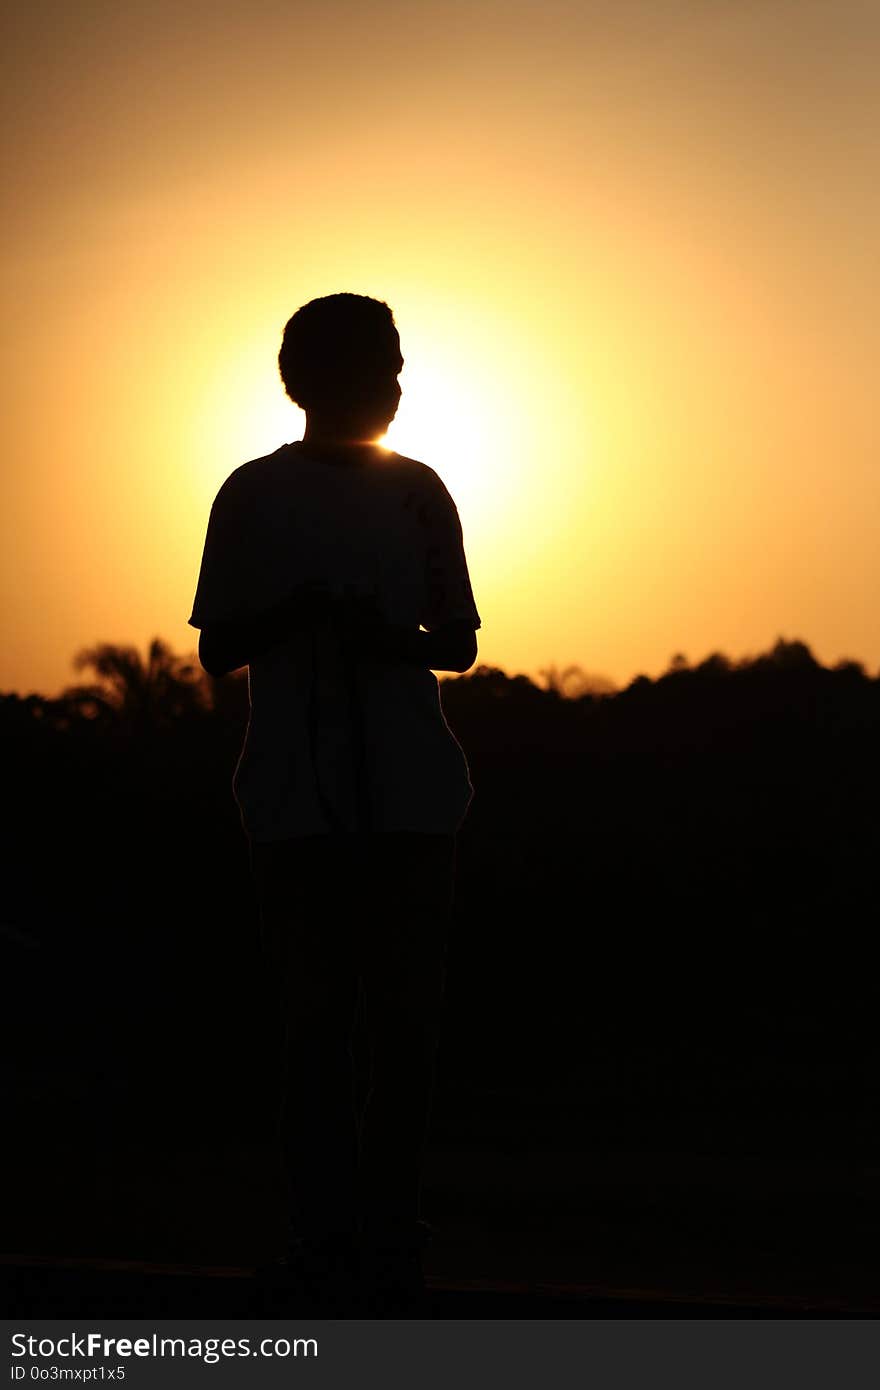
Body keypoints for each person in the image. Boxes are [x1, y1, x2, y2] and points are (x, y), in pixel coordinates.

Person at [188, 292, 481, 1314]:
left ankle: (391, 1242)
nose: (391, 386)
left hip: (411, 803)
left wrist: (385, 643)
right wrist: (300, 615)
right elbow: (216, 647)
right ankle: (324, 1242)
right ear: (308, 382)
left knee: (405, 1032)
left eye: (395, 368)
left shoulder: (422, 494)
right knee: (312, 1032)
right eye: (373, 369)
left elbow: (458, 642)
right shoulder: (252, 496)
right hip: (294, 809)